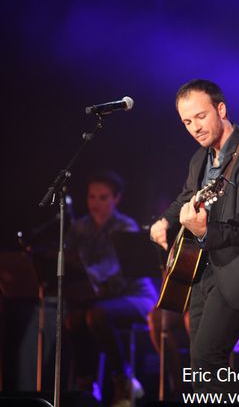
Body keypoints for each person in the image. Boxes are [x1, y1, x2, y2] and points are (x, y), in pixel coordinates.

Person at [150, 79, 239, 396]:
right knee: (200, 361)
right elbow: (186, 197)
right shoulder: (201, 158)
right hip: (203, 272)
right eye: (186, 121)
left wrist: (204, 230)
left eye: (200, 116)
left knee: (207, 358)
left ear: (221, 109)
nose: (194, 127)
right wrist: (164, 221)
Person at [64, 170, 157, 407]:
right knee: (72, 318)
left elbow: (113, 275)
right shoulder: (80, 227)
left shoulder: (126, 226)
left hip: (135, 296)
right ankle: (86, 383)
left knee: (97, 314)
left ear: (116, 199)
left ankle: (124, 380)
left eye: (103, 197)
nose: (96, 203)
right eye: (91, 197)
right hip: (98, 298)